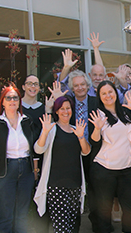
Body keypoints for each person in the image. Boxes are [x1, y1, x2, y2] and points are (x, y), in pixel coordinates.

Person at [88, 80, 131, 233]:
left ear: (115, 93)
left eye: (110, 92)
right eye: (103, 93)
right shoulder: (97, 114)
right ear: (99, 97)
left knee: (130, 209)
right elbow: (94, 141)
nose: (108, 95)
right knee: (104, 212)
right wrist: (97, 128)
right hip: (104, 170)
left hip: (128, 169)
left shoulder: (125, 111)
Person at [0, 83, 35, 233]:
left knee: (22, 215)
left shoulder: (27, 121)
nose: (12, 101)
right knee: (6, 215)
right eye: (8, 98)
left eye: (15, 98)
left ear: (19, 101)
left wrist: (35, 169)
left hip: (26, 171)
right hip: (4, 172)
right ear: (2, 101)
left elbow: (35, 149)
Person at [34, 96, 91, 233]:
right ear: (57, 112)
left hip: (75, 185)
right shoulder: (51, 129)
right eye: (62, 109)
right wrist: (45, 132)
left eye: (68, 108)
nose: (66, 112)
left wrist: (81, 137)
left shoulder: (76, 129)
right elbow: (38, 149)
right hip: (56, 187)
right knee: (61, 228)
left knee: (73, 227)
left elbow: (86, 152)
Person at [59, 32, 106, 97]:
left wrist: (96, 49)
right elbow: (62, 86)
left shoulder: (109, 91)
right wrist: (66, 68)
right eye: (94, 75)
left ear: (105, 77)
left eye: (101, 75)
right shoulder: (84, 91)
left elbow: (100, 69)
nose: (97, 78)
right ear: (90, 75)